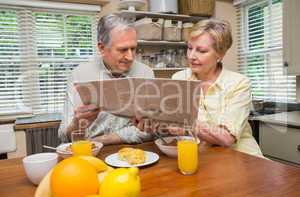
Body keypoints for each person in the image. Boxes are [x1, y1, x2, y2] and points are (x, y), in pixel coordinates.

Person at [136, 19, 263, 157]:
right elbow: (173, 128)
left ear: (220, 54)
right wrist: (154, 124)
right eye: (190, 48)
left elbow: (226, 138)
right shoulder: (178, 78)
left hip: (242, 157)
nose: (191, 56)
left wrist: (184, 123)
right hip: (200, 157)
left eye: (201, 51)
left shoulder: (239, 83)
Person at [58, 14, 155, 145]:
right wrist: (77, 124)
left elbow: (149, 131)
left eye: (133, 48)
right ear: (102, 48)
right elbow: (64, 136)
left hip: (132, 152)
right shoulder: (79, 75)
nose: (130, 57)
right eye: (123, 50)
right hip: (90, 152)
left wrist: (102, 140)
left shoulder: (145, 73)